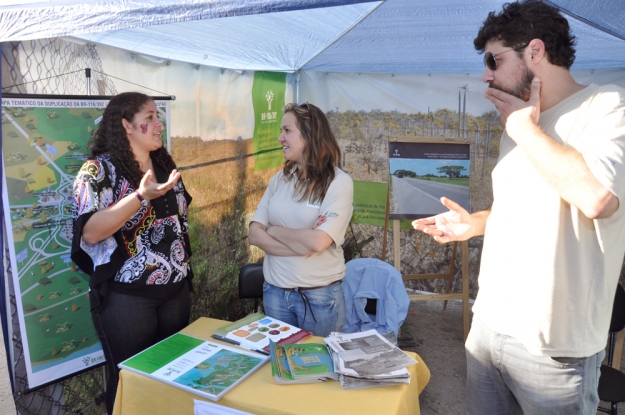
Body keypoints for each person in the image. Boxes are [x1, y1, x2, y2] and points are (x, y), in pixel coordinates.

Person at [413, 1, 625, 414]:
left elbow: (598, 197)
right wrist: (471, 224)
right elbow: (522, 208)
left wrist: (525, 130)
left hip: (554, 351)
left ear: (535, 52)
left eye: (494, 60)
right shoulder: (520, 120)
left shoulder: (607, 107)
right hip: (489, 330)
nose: (485, 74)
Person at [71, 92, 193, 414]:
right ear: (126, 125)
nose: (158, 123)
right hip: (127, 299)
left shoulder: (165, 164)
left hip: (175, 291)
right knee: (129, 379)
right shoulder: (97, 172)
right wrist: (140, 196)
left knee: (172, 376)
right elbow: (91, 231)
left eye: (158, 116)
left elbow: (178, 221)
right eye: (149, 117)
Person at [248, 102, 353, 337]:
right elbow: (255, 234)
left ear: (309, 135)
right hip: (275, 293)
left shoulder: (339, 183)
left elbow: (318, 243)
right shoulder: (280, 180)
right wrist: (301, 246)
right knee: (280, 368)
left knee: (321, 370)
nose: (280, 138)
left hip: (319, 297)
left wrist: (273, 230)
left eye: (287, 131)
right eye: (281, 131)